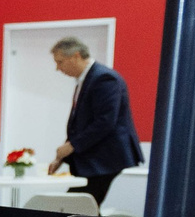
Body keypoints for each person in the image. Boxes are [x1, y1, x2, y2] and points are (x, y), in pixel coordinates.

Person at [49, 36, 142, 205]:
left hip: (106, 158)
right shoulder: (86, 80)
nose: (57, 68)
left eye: (60, 62)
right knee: (81, 207)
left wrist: (72, 146)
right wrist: (61, 157)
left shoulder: (104, 78)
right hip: (96, 158)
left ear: (76, 56)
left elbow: (105, 121)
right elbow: (80, 125)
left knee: (77, 206)